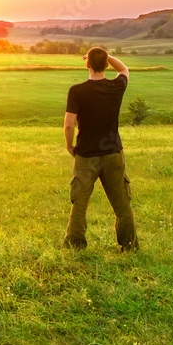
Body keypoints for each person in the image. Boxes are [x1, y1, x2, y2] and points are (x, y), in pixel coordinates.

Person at [62, 47, 139, 251]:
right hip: (113, 153)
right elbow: (124, 69)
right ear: (106, 65)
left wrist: (70, 146)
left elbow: (69, 124)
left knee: (79, 204)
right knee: (122, 203)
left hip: (86, 156)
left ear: (87, 64)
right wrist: (105, 56)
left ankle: (75, 246)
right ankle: (129, 245)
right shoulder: (116, 87)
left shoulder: (77, 91)